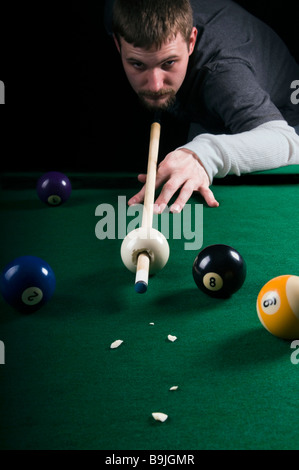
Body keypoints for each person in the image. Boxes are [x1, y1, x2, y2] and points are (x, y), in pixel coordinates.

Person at [107, 0, 299, 212]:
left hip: (286, 118)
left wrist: (203, 154)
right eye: (138, 64)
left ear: (191, 41)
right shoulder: (118, 14)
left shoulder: (224, 73)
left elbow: (287, 142)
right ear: (118, 43)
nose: (155, 85)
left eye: (168, 63)